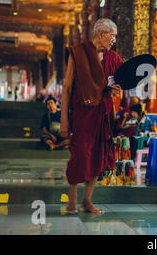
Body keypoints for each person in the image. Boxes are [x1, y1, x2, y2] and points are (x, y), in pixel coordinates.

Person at [60, 18, 123, 215]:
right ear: (101, 33)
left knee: (99, 156)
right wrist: (63, 117)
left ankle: (87, 201)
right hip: (81, 113)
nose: (113, 40)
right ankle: (72, 200)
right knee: (80, 155)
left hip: (101, 114)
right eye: (112, 36)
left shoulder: (112, 58)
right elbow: (68, 86)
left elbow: (122, 78)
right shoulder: (77, 53)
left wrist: (115, 90)